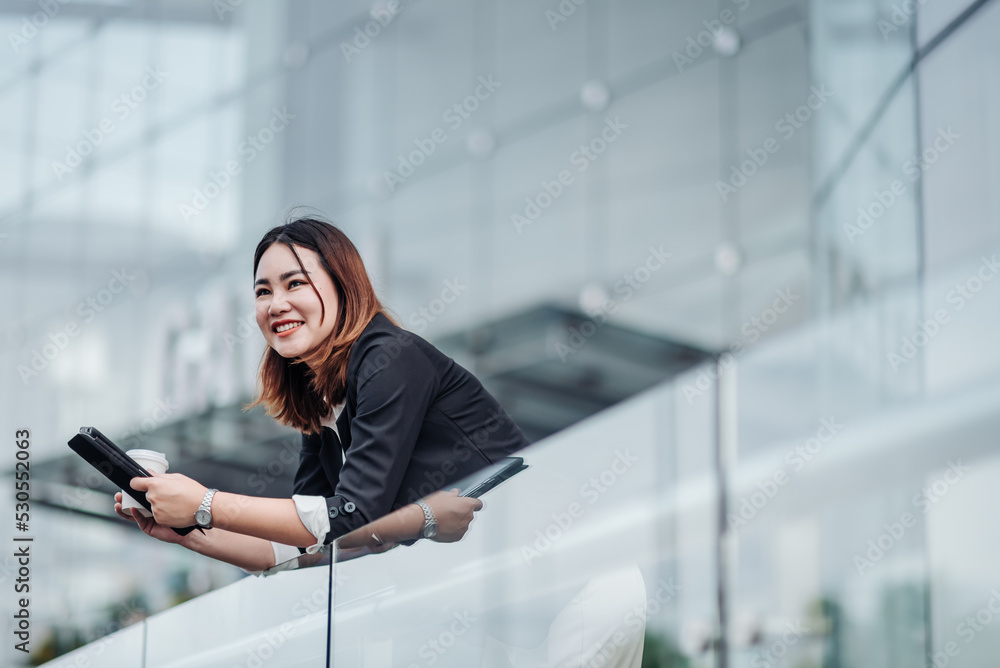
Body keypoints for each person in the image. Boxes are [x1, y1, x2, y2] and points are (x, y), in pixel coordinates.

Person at [113, 215, 530, 572]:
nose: (275, 304)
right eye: (263, 291)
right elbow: (310, 541)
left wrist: (204, 502)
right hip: (470, 584)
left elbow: (351, 515)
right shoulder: (320, 395)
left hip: (538, 556)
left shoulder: (390, 358)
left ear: (343, 285)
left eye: (294, 283)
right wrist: (190, 533)